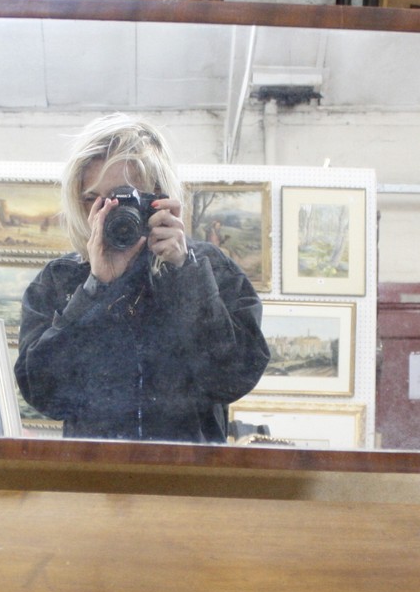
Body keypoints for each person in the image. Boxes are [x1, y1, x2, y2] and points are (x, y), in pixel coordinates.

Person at [14, 114, 269, 443]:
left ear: (158, 196)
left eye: (123, 198)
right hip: (95, 483)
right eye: (95, 199)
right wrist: (95, 288)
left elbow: (234, 377)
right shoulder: (61, 279)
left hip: (188, 481)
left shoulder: (209, 268)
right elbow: (43, 393)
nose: (108, 213)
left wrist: (184, 273)